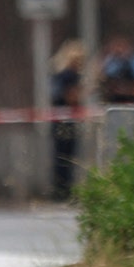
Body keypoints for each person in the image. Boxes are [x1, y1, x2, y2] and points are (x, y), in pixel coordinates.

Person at [50, 39, 88, 201]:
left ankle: (59, 191)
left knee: (59, 157)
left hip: (57, 120)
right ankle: (65, 192)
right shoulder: (71, 76)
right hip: (68, 122)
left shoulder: (57, 74)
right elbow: (71, 98)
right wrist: (87, 91)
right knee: (68, 158)